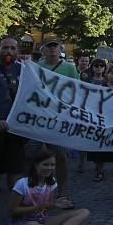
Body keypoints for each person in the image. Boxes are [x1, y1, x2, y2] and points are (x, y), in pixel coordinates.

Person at [6, 150, 90, 225]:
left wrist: (55, 204)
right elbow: (12, 211)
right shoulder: (22, 184)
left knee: (84, 212)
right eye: (45, 164)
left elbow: (46, 207)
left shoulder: (51, 182)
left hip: (41, 221)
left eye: (52, 165)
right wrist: (37, 207)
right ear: (36, 165)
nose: (49, 168)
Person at [36, 37, 78, 202]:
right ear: (43, 50)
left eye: (55, 46)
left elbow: (78, 89)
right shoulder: (37, 67)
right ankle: (38, 191)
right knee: (37, 156)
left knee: (61, 157)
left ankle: (62, 193)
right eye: (49, 46)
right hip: (39, 116)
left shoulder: (69, 68)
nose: (52, 49)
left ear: (60, 48)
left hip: (61, 118)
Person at [0, 36, 25, 192]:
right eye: (5, 47)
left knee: (16, 169)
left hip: (15, 129)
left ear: (18, 52)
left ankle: (16, 206)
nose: (9, 51)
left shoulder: (24, 70)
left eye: (13, 48)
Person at [89, 64, 113, 184]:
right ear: (107, 74)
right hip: (103, 121)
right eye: (112, 73)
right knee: (101, 148)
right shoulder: (101, 87)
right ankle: (100, 171)